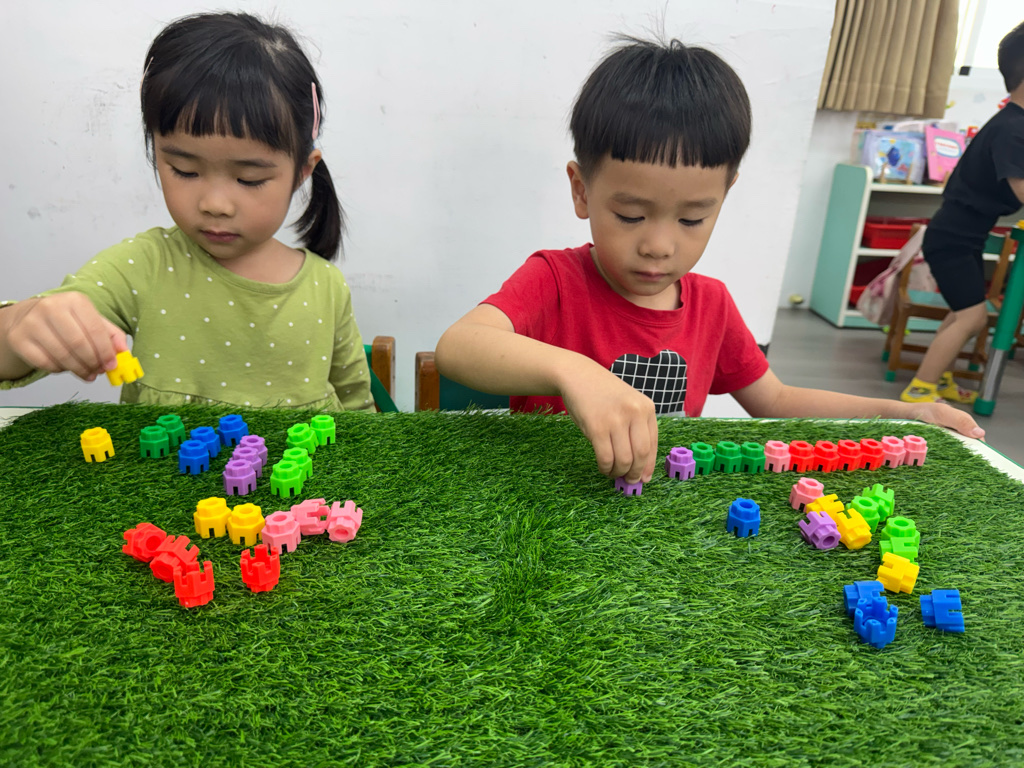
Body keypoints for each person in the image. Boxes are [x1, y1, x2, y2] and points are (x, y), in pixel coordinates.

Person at [435, 36, 984, 485]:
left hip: (659, 517)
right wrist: (573, 370)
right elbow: (458, 347)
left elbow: (776, 399)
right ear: (581, 191)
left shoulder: (711, 305)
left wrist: (902, 412)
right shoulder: (554, 280)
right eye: (630, 215)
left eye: (692, 219)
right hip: (549, 505)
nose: (659, 245)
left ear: (725, 195)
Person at [0, 12, 372, 411]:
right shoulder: (144, 267)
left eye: (249, 178)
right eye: (185, 170)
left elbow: (359, 410)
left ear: (302, 172)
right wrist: (20, 327)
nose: (215, 204)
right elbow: (13, 349)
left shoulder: (326, 288)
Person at [900, 21, 1024, 405]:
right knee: (972, 317)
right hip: (953, 237)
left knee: (962, 314)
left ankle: (937, 379)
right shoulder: (1013, 129)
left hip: (961, 235)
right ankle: (920, 390)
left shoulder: (1011, 123)